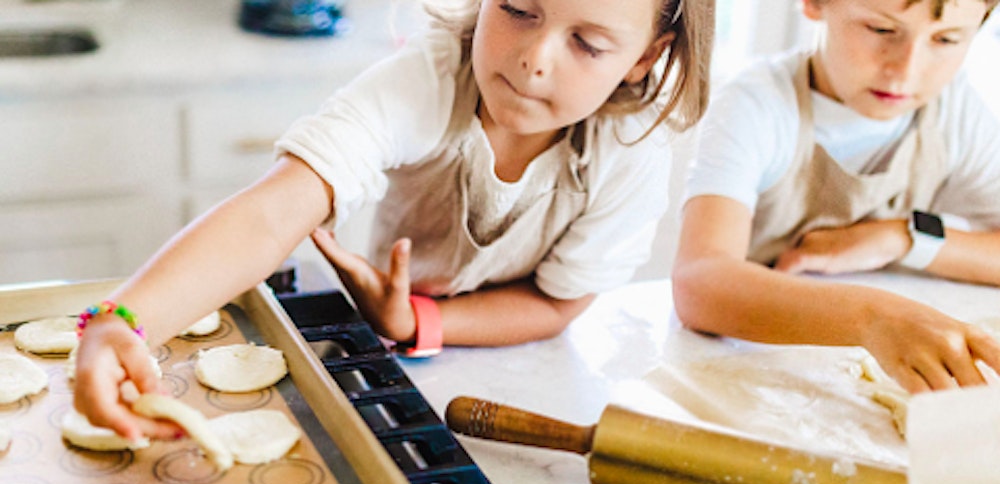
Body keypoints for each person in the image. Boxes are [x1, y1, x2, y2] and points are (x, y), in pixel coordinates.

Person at [73, 0, 716, 441]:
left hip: (530, 366)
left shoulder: (631, 146)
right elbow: (273, 214)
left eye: (588, 43)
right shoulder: (431, 80)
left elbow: (558, 302)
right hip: (378, 352)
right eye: (518, 8)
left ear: (644, 56)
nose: (535, 59)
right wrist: (121, 320)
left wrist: (422, 322)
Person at [673, 0, 1000, 395]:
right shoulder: (759, 103)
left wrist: (902, 238)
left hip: (852, 383)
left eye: (946, 39)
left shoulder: (956, 112)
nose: (905, 71)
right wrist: (874, 319)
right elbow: (699, 282)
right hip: (744, 371)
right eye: (881, 30)